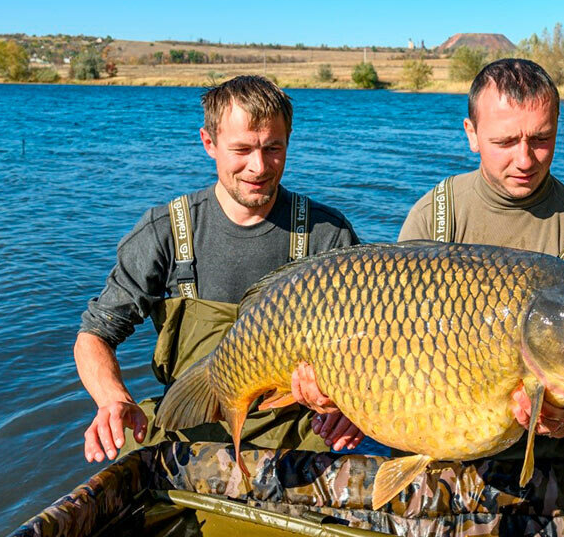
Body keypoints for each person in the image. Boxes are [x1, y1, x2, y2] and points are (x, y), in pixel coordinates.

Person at [74, 76, 363, 463]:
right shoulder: (166, 230)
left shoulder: (328, 233)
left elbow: (365, 345)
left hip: (296, 431)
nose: (258, 167)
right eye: (241, 149)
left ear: (288, 141)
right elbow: (94, 335)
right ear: (209, 143)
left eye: (273, 149)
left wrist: (344, 404)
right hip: (192, 423)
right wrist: (112, 399)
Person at [397, 58, 564, 460]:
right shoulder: (435, 215)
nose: (525, 160)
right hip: (436, 444)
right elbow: (389, 347)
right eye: (504, 142)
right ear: (472, 133)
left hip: (547, 464)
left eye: (541, 139)